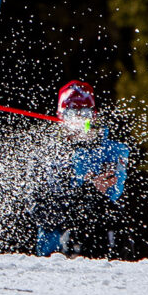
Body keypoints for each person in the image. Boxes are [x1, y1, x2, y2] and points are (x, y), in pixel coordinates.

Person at [26, 80, 134, 259]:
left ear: (93, 117)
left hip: (102, 251)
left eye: (84, 113)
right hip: (54, 253)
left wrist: (87, 193)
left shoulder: (113, 151)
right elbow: (38, 208)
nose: (78, 120)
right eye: (71, 114)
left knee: (109, 216)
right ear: (60, 116)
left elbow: (112, 194)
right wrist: (85, 192)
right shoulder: (45, 155)